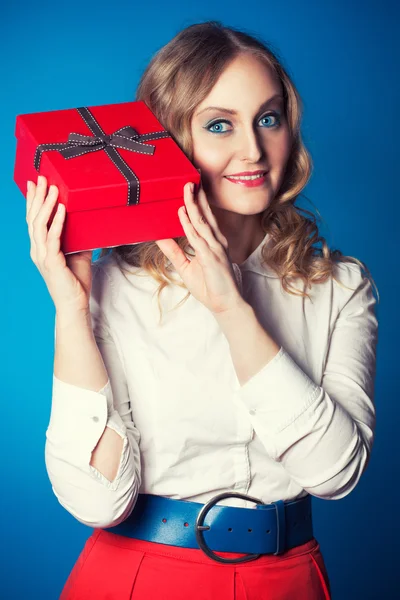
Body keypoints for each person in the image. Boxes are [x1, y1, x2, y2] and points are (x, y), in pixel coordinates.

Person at [25, 21, 379, 600]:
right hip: (139, 577)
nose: (254, 150)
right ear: (168, 140)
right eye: (220, 125)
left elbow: (337, 474)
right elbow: (95, 500)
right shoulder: (116, 286)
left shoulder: (341, 286)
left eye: (269, 118)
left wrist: (231, 308)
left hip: (287, 580)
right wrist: (71, 311)